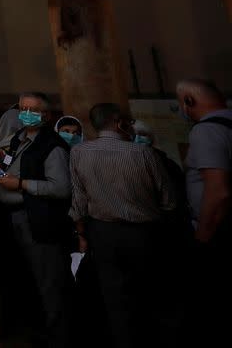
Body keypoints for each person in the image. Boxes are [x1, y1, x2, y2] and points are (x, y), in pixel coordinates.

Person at [69, 103, 175, 348]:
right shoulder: (144, 154)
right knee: (152, 294)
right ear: (120, 123)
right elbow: (169, 200)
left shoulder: (79, 153)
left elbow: (78, 201)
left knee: (115, 299)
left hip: (103, 233)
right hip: (144, 233)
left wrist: (81, 233)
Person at [0, 92, 73, 348]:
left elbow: (61, 188)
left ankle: (60, 335)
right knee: (30, 278)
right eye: (22, 108)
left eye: (32, 110)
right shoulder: (17, 138)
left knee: (49, 279)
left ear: (45, 116)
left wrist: (22, 184)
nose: (25, 113)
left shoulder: (53, 146)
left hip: (38, 219)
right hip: (12, 217)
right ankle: (41, 327)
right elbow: (1, 162)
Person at [175, 79, 231, 346]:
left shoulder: (206, 131)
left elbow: (218, 190)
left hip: (217, 232)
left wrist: (202, 238)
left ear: (189, 101)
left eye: (180, 103)